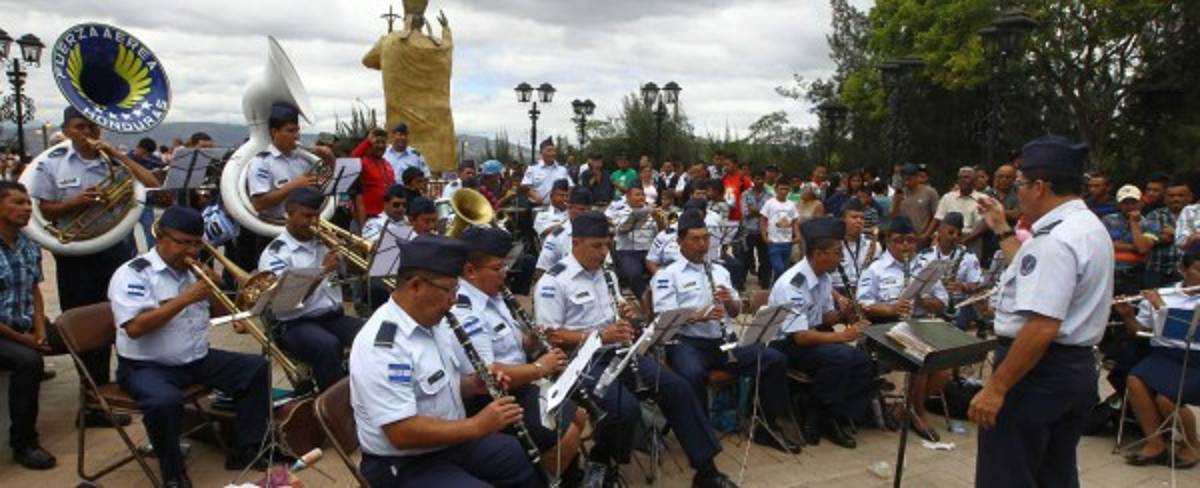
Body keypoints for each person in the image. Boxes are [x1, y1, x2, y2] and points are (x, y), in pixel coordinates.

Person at [534, 212, 736, 487]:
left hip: (619, 354)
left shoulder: (606, 273)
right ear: (576, 243)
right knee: (625, 409)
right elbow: (550, 336)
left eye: (607, 245)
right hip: (578, 362)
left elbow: (617, 310)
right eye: (597, 246)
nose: (604, 252)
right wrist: (598, 336)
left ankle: (706, 471)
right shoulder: (553, 281)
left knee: (678, 388)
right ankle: (601, 459)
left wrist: (626, 315)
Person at [968, 135, 1114, 487]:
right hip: (1072, 369)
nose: (1017, 192)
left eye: (1020, 183)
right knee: (1054, 474)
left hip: (1036, 371)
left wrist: (997, 388)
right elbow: (1032, 274)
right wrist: (1002, 228)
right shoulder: (1087, 228)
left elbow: (1042, 326)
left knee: (1007, 475)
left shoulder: (1055, 240)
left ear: (1040, 186)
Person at [348, 235, 541, 487]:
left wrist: (475, 384)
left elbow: (437, 387)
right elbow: (400, 433)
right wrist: (477, 425)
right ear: (416, 286)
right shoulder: (383, 345)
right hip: (405, 462)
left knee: (514, 454)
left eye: (456, 290)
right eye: (448, 290)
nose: (454, 300)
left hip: (448, 443)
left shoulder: (432, 322)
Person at [109, 206, 273, 486]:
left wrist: (215, 290)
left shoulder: (191, 272)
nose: (192, 251)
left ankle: (248, 449)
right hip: (147, 365)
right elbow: (135, 328)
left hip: (195, 359)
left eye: (197, 244)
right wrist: (186, 298)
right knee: (164, 402)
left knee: (256, 368)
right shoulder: (134, 274)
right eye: (183, 242)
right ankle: (173, 474)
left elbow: (224, 313)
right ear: (161, 237)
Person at [29, 107, 161, 428]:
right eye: (80, 126)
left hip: (114, 249)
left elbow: (153, 185)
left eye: (92, 126)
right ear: (67, 131)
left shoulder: (113, 161)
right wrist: (77, 202)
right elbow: (45, 210)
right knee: (86, 327)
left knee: (122, 318)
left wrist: (120, 156)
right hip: (76, 255)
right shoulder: (51, 164)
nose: (88, 132)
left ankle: (120, 388)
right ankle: (91, 402)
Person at [656, 209, 801, 453]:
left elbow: (734, 313)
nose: (702, 244)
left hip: (721, 342)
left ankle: (768, 423)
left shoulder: (720, 271)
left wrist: (729, 302)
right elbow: (663, 317)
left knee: (773, 359)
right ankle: (700, 435)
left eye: (705, 238)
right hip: (687, 343)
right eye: (695, 239)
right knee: (692, 373)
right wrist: (697, 315)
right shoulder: (667, 275)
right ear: (680, 241)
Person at [451, 227, 587, 480]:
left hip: (520, 384)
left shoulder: (493, 294)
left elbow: (513, 346)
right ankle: (543, 479)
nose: (504, 274)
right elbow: (487, 375)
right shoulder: (465, 310)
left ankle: (565, 475)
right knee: (567, 434)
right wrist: (540, 367)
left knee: (578, 415)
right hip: (491, 398)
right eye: (498, 268)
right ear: (470, 271)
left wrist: (531, 342)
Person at [769, 217, 875, 448]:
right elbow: (800, 336)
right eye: (837, 252)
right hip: (787, 345)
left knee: (864, 362)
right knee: (840, 357)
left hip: (811, 337)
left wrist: (844, 315)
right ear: (818, 254)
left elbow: (823, 317)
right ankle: (816, 415)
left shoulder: (824, 277)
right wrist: (843, 336)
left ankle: (836, 413)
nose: (842, 258)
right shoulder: (793, 284)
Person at [258, 188, 365, 390]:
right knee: (328, 345)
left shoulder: (324, 243)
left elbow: (359, 272)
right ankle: (331, 402)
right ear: (289, 214)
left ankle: (365, 390)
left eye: (317, 215)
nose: (314, 222)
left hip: (333, 318)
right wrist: (322, 271)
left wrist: (349, 251)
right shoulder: (276, 253)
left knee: (371, 332)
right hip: (295, 324)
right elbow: (285, 302)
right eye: (307, 216)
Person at [856, 217, 951, 442]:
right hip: (886, 330)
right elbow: (862, 304)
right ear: (888, 241)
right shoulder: (875, 269)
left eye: (910, 240)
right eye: (899, 241)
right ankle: (919, 414)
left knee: (945, 368)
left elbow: (943, 301)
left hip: (919, 326)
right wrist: (891, 308)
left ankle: (904, 407)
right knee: (921, 359)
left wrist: (927, 301)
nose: (906, 246)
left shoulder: (926, 267)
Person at [1113, 242, 1200, 468]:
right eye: (1198, 270)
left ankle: (1192, 444)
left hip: (1196, 359)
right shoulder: (1164, 293)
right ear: (1182, 269)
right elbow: (1139, 332)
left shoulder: (1162, 299)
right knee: (1134, 379)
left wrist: (1163, 309)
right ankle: (1155, 443)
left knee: (1166, 398)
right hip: (1163, 355)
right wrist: (1128, 314)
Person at [246, 102, 336, 221]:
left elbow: (328, 182)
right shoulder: (261, 162)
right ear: (274, 132)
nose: (297, 136)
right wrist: (293, 186)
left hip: (304, 225)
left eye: (297, 131)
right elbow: (259, 204)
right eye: (291, 131)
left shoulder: (304, 158)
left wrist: (330, 159)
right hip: (275, 226)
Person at [917, 212, 984, 330]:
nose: (954, 237)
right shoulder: (924, 256)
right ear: (940, 231)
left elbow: (979, 287)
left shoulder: (968, 257)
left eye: (958, 234)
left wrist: (963, 286)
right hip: (931, 304)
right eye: (951, 232)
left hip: (959, 306)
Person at [1104, 184, 1158, 295]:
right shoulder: (1107, 220)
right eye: (1126, 203)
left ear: (1141, 203)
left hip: (1135, 274)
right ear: (1119, 205)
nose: (1130, 206)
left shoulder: (1150, 223)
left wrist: (1134, 223)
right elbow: (1102, 244)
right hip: (1109, 273)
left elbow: (1142, 249)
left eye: (1133, 202)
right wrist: (1133, 247)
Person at [606, 186, 658, 298]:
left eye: (642, 195)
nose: (641, 197)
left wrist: (659, 220)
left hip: (649, 251)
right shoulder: (620, 211)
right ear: (628, 197)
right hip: (628, 252)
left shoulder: (652, 212)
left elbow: (659, 233)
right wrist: (637, 216)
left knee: (663, 272)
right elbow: (621, 229)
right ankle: (645, 300)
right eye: (637, 195)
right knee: (634, 275)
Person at [533, 187, 593, 280]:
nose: (586, 213)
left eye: (589, 210)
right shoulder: (557, 235)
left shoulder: (597, 231)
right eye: (582, 209)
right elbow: (542, 269)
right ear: (569, 207)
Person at [1144, 178, 1194, 287]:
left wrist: (1175, 233)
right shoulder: (1154, 215)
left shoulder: (1196, 216)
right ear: (1165, 198)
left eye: (1180, 195)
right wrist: (1188, 237)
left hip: (1189, 273)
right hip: (1157, 270)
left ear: (1190, 197)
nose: (1176, 199)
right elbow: (1147, 242)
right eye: (1171, 196)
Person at [934, 166, 985, 257]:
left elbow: (984, 225)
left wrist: (964, 240)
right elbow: (939, 220)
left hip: (972, 241)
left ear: (974, 180)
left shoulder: (983, 199)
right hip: (947, 241)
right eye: (960, 178)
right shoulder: (947, 197)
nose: (963, 180)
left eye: (966, 177)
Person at [350, 128, 396, 228]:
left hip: (385, 219)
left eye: (383, 142)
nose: (381, 145)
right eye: (377, 142)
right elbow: (352, 159)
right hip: (366, 219)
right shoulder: (362, 161)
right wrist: (367, 141)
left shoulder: (387, 164)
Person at [835, 199, 879, 298]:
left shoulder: (874, 246)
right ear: (843, 220)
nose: (859, 221)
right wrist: (838, 297)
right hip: (838, 293)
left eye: (862, 218)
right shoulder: (832, 245)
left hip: (865, 293)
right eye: (854, 217)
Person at [890, 163, 939, 248]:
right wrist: (897, 202)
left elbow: (936, 217)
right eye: (904, 179)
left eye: (909, 179)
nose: (906, 182)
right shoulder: (900, 193)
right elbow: (893, 216)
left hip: (921, 238)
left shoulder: (930, 192)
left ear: (917, 177)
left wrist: (926, 235)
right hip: (904, 239)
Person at [128, 137, 164, 249]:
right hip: (129, 202)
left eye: (148, 154)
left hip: (147, 202)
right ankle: (130, 255)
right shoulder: (126, 158)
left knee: (151, 231)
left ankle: (153, 253)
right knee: (127, 234)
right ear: (137, 147)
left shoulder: (154, 160)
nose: (145, 156)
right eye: (143, 153)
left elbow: (162, 170)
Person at [761, 180, 801, 280]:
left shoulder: (791, 204)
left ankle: (777, 285)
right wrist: (764, 236)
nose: (784, 191)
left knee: (785, 269)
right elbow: (763, 220)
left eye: (786, 189)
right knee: (779, 268)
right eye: (781, 189)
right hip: (774, 242)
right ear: (776, 190)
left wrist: (797, 235)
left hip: (787, 242)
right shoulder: (770, 203)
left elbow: (795, 221)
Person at [740, 170, 771, 287]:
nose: (760, 181)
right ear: (752, 179)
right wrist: (761, 212)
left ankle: (764, 283)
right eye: (758, 178)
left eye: (762, 179)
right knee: (745, 257)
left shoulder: (770, 195)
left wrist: (755, 211)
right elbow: (745, 212)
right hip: (748, 230)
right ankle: (740, 283)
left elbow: (769, 214)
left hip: (764, 231)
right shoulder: (745, 194)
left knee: (765, 258)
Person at [521, 138, 572, 206]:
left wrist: (566, 197)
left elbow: (570, 187)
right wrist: (533, 194)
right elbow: (524, 186)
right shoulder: (532, 168)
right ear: (541, 152)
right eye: (549, 151)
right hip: (537, 206)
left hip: (558, 207)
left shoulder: (562, 169)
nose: (552, 153)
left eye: (554, 150)